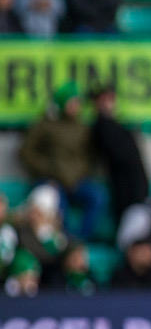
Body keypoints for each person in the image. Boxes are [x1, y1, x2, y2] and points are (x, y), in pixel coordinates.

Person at [18, 81, 108, 241]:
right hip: (52, 181)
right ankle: (64, 241)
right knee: (58, 204)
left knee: (97, 196)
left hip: (77, 182)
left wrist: (82, 173)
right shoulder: (44, 125)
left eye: (77, 102)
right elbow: (26, 153)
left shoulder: (82, 128)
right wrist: (47, 170)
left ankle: (81, 240)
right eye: (71, 102)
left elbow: (91, 156)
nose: (75, 106)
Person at [89, 83, 150, 223]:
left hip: (135, 185)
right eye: (106, 99)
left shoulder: (117, 125)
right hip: (124, 187)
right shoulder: (101, 127)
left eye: (111, 99)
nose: (110, 103)